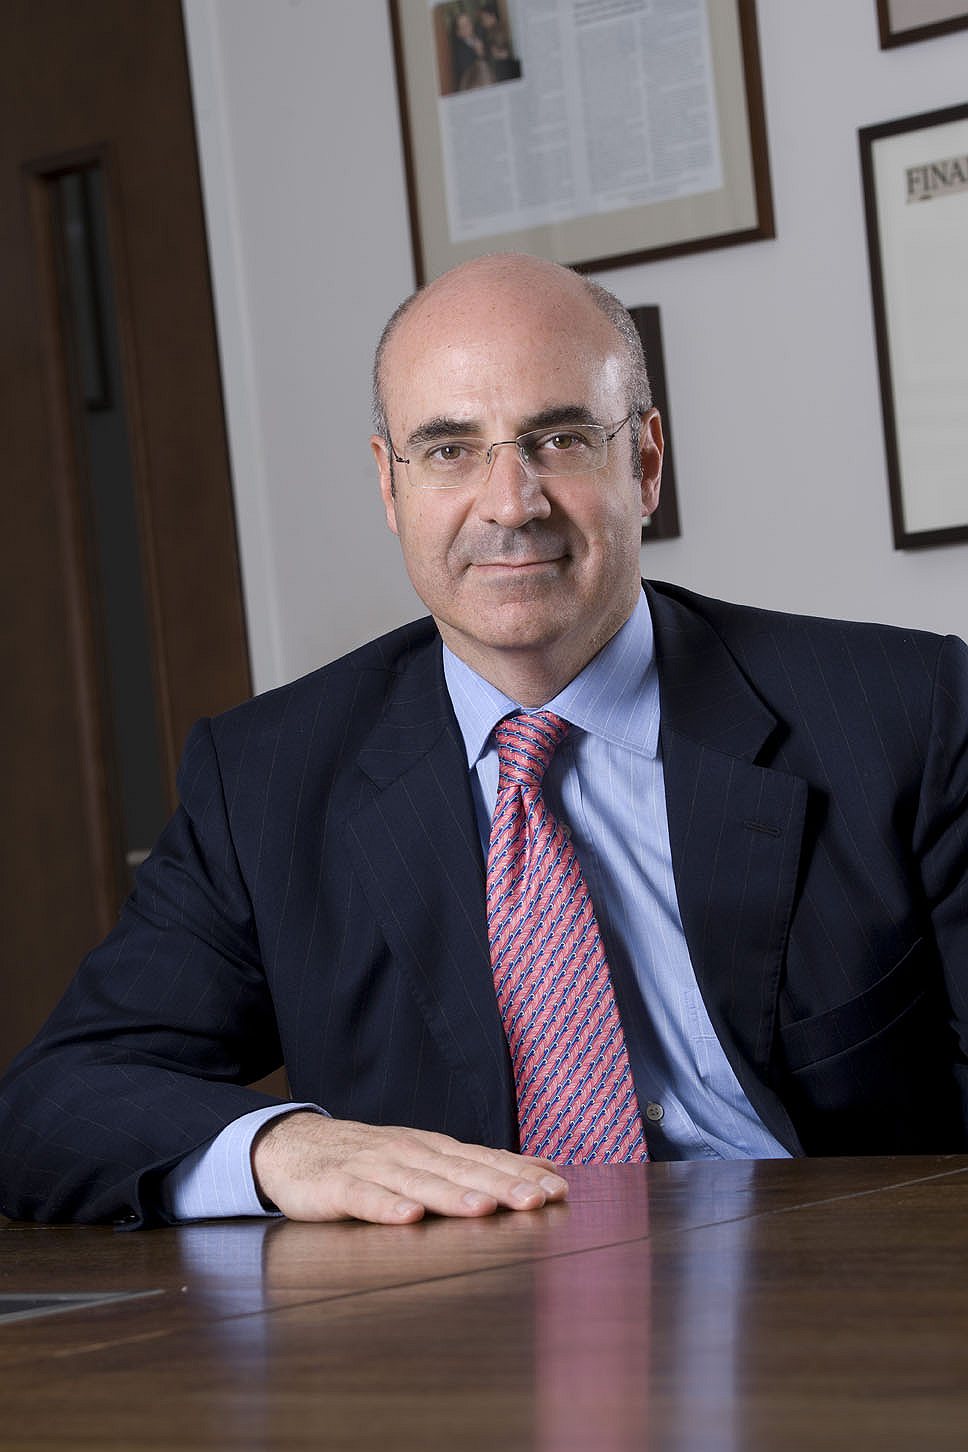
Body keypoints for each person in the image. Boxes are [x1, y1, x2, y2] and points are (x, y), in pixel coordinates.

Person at [1, 253, 966, 1229]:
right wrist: (282, 1146)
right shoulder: (265, 782)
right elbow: (52, 1102)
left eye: (560, 439)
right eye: (449, 450)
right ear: (389, 486)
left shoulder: (904, 716)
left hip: (839, 1279)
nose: (511, 503)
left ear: (644, 463)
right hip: (461, 1301)